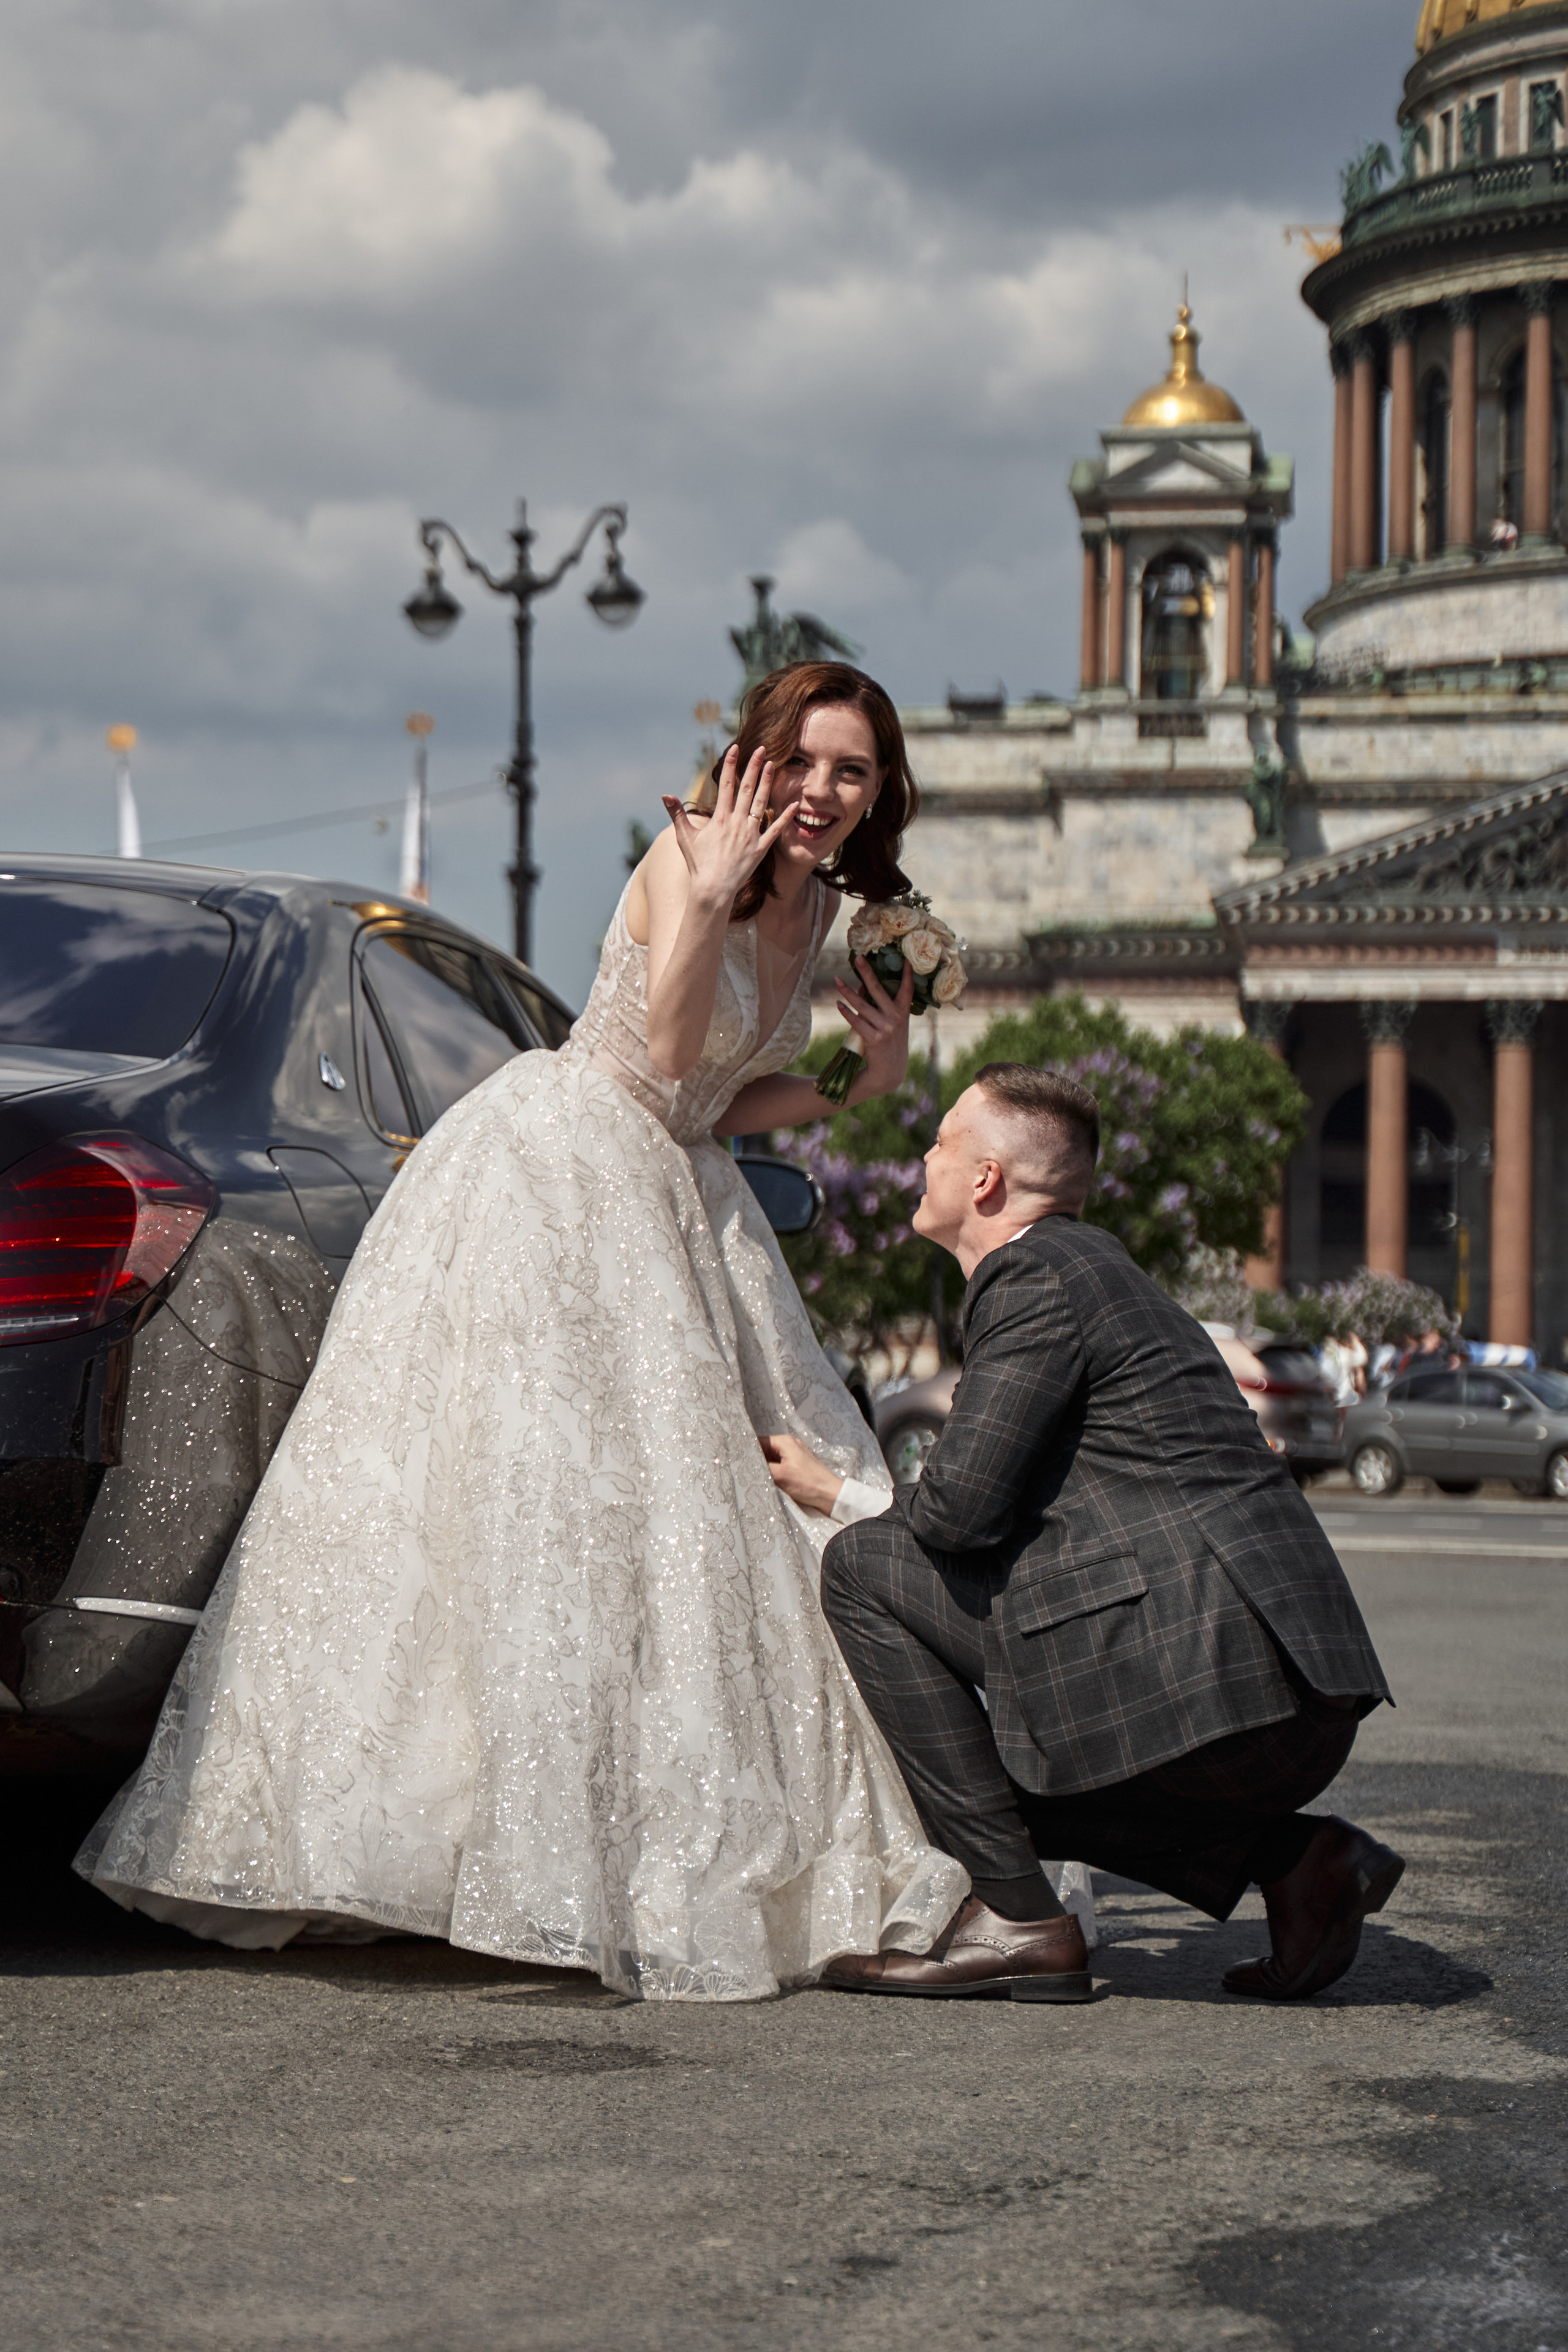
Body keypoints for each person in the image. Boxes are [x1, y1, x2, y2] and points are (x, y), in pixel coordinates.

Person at [76, 662, 971, 2000]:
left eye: (850, 772)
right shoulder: (690, 858)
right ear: (758, 760)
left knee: (697, 1526)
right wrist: (714, 888)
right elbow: (664, 1051)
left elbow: (730, 1100)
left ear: (876, 793)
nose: (821, 793)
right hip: (559, 1170)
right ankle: (453, 1849)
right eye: (802, 763)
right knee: (538, 1506)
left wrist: (869, 1065)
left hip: (682, 1188)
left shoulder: (837, 915)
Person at [788, 1065, 1401, 2003]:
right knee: (987, 1776)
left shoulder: (1031, 1275)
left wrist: (839, 1496)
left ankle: (1018, 1922)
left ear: (986, 1180)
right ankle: (1297, 1861)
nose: (924, 1157)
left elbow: (957, 1511)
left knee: (866, 1573)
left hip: (1221, 1682)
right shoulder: (1099, 1269)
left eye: (942, 1141)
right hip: (1284, 1692)